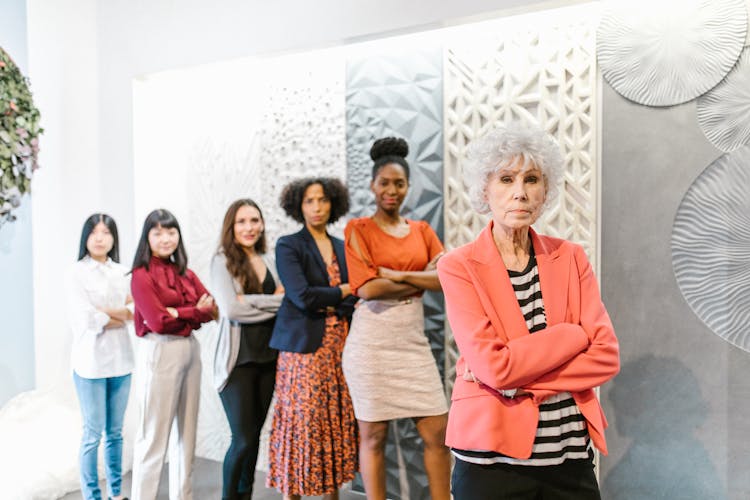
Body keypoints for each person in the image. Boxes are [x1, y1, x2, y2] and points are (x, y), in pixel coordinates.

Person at [436, 122, 620, 500]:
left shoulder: (570, 257)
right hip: (491, 460)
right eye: (506, 179)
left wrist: (512, 379)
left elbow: (605, 357)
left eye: (532, 179)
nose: (520, 192)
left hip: (569, 455)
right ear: (485, 189)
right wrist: (572, 336)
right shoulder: (458, 265)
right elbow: (494, 367)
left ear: (545, 190)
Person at [343, 138, 451, 500]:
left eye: (399, 183)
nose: (392, 190)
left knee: (437, 432)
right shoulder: (357, 229)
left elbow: (444, 279)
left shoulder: (421, 231)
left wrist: (397, 275)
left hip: (412, 343)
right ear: (373, 186)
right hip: (371, 344)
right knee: (373, 437)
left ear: (408, 187)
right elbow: (366, 290)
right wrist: (420, 275)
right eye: (384, 183)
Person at [266, 177, 358, 500]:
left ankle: (331, 494)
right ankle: (293, 493)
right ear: (298, 205)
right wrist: (342, 292)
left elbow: (355, 296)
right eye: (309, 201)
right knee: (302, 423)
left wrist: (337, 296)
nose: (316, 207)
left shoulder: (341, 245)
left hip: (340, 346)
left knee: (332, 421)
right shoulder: (288, 245)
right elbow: (302, 296)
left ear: (333, 203)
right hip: (304, 349)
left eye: (322, 200)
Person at [129, 209, 217, 500]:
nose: (166, 239)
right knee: (153, 437)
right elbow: (157, 321)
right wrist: (194, 312)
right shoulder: (141, 276)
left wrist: (181, 312)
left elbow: (212, 310)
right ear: (147, 238)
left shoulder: (186, 273)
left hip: (190, 349)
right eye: (158, 233)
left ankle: (184, 496)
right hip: (159, 348)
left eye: (171, 232)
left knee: (187, 435)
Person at [210, 199, 283, 500]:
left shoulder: (269, 259)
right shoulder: (222, 260)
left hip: (268, 359)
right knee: (241, 439)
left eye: (254, 220)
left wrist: (249, 300)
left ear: (262, 224)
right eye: (241, 221)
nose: (249, 227)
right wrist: (269, 302)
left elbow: (287, 301)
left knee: (253, 439)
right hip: (237, 362)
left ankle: (246, 496)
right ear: (231, 226)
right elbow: (230, 309)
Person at [67, 214, 133, 500]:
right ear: (85, 237)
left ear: (114, 238)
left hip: (121, 361)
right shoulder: (76, 273)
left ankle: (116, 493)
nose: (100, 237)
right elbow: (87, 320)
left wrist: (107, 312)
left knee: (115, 433)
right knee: (92, 434)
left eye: (106, 232)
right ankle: (92, 496)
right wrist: (118, 313)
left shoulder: (123, 272)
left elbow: (135, 313)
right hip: (89, 364)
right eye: (94, 232)